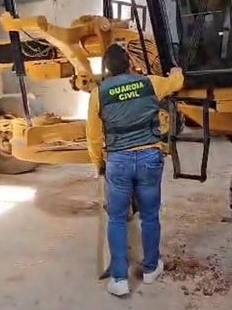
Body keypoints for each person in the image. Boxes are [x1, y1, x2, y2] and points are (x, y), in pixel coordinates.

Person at [86, 43, 184, 296]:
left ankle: (119, 279)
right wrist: (176, 72)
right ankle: (151, 268)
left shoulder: (99, 93)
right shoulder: (149, 83)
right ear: (129, 61)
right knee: (150, 215)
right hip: (150, 157)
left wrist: (99, 163)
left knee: (117, 217)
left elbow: (93, 136)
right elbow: (176, 83)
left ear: (107, 68)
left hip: (118, 161)